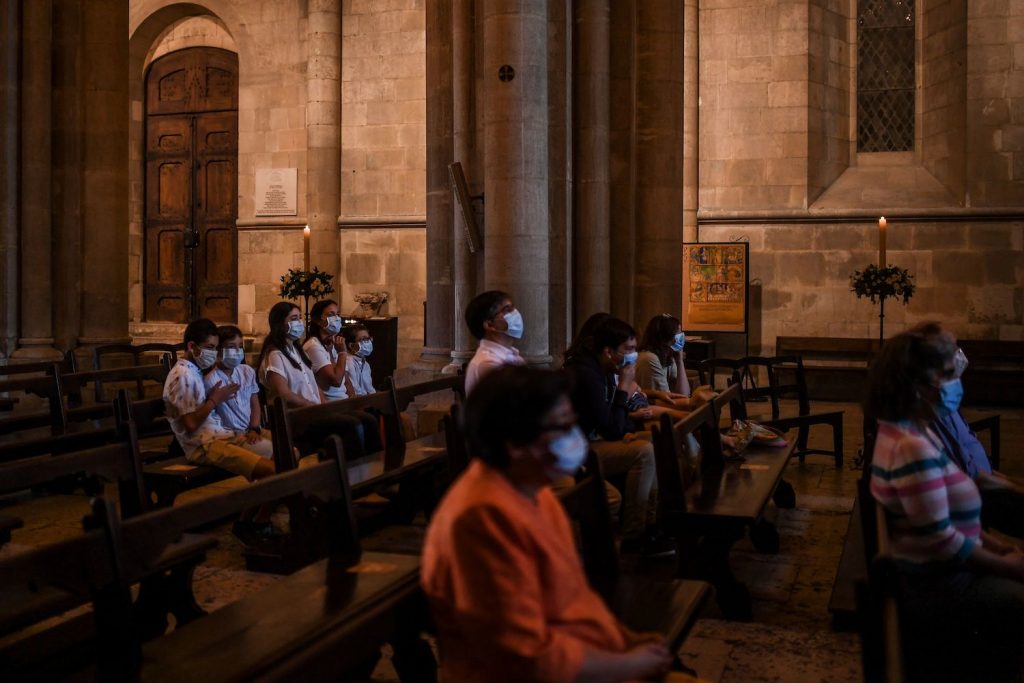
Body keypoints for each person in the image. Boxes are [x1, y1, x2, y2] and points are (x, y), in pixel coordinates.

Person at [422, 365, 695, 683]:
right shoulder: (481, 517)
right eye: (561, 426)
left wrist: (624, 643)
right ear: (516, 444)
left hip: (583, 657)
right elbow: (523, 656)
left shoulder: (534, 488)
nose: (574, 436)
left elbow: (571, 595)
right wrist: (629, 664)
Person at [867, 324, 1024, 680]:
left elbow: (946, 523)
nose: (956, 381)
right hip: (944, 586)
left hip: (951, 569)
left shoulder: (918, 429)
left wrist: (998, 547)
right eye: (948, 374)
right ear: (921, 386)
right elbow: (942, 541)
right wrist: (1009, 565)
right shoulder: (910, 447)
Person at [913, 323, 1024, 539]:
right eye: (952, 349)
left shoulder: (947, 401)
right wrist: (1015, 486)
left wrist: (1014, 482)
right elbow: (972, 476)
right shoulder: (933, 410)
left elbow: (975, 458)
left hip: (990, 484)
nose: (959, 356)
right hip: (981, 495)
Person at [564, 316, 663, 555]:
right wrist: (624, 387)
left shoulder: (604, 368)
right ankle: (634, 534)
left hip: (594, 441)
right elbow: (610, 426)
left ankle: (653, 523)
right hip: (578, 450)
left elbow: (616, 422)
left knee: (653, 440)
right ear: (608, 351)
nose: (633, 355)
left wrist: (627, 430)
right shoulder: (586, 373)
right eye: (628, 349)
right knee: (644, 452)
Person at [163, 318, 274, 481]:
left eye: (215, 348)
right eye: (209, 348)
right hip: (205, 445)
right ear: (192, 346)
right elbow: (190, 425)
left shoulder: (193, 371)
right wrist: (215, 400)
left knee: (287, 454)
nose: (214, 354)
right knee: (271, 469)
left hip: (222, 436)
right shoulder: (183, 375)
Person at [204, 324, 274, 454]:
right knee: (273, 453)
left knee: (290, 449)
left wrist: (254, 429)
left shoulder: (247, 372)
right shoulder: (210, 380)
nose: (237, 351)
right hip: (229, 435)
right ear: (218, 350)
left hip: (252, 429)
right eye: (231, 347)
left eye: (240, 346)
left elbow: (255, 405)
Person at [257, 301, 322, 408]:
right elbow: (284, 394)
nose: (300, 322)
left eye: (300, 317)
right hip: (298, 414)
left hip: (314, 410)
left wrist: (325, 406)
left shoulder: (297, 351)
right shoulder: (275, 355)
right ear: (280, 324)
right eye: (294, 319)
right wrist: (313, 407)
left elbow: (312, 386)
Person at [463, 290, 526, 395]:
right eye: (508, 310)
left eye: (513, 308)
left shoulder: (511, 355)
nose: (516, 313)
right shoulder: (488, 362)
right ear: (490, 325)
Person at [303, 299, 354, 401]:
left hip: (344, 401)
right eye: (331, 314)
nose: (337, 318)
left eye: (338, 314)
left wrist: (353, 399)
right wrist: (342, 353)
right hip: (330, 404)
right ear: (318, 320)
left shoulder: (334, 343)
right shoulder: (313, 346)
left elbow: (346, 381)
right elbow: (336, 381)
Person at [636, 314, 691, 409]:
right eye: (678, 332)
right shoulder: (649, 358)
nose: (682, 336)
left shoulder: (668, 356)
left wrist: (679, 361)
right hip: (648, 408)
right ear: (666, 335)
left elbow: (683, 393)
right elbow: (669, 398)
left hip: (662, 406)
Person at [343, 322, 376, 396]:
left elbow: (369, 389)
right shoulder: (349, 362)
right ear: (351, 345)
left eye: (368, 339)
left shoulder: (365, 364)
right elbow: (355, 391)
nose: (368, 342)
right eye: (364, 339)